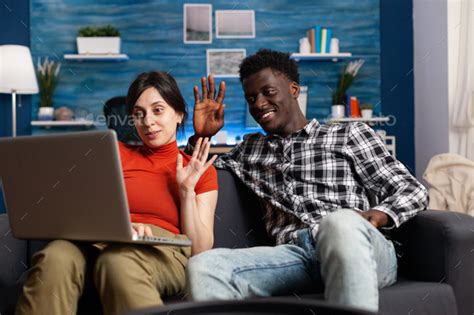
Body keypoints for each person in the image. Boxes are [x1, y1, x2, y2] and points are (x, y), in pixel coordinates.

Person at [186, 49, 428, 312]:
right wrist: (200, 137)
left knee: (339, 222)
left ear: (293, 89)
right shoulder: (250, 149)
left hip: (357, 247)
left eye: (268, 92)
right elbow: (195, 169)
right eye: (251, 98)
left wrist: (376, 215)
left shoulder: (348, 134)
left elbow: (412, 189)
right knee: (204, 267)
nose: (258, 104)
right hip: (295, 257)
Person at [16, 71, 219, 315]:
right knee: (55, 257)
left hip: (162, 250)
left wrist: (186, 190)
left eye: (158, 110)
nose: (148, 121)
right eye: (138, 114)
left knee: (118, 261)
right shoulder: (111, 153)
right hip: (98, 238)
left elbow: (201, 249)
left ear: (179, 114)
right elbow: (78, 203)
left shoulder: (197, 170)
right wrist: (119, 228)